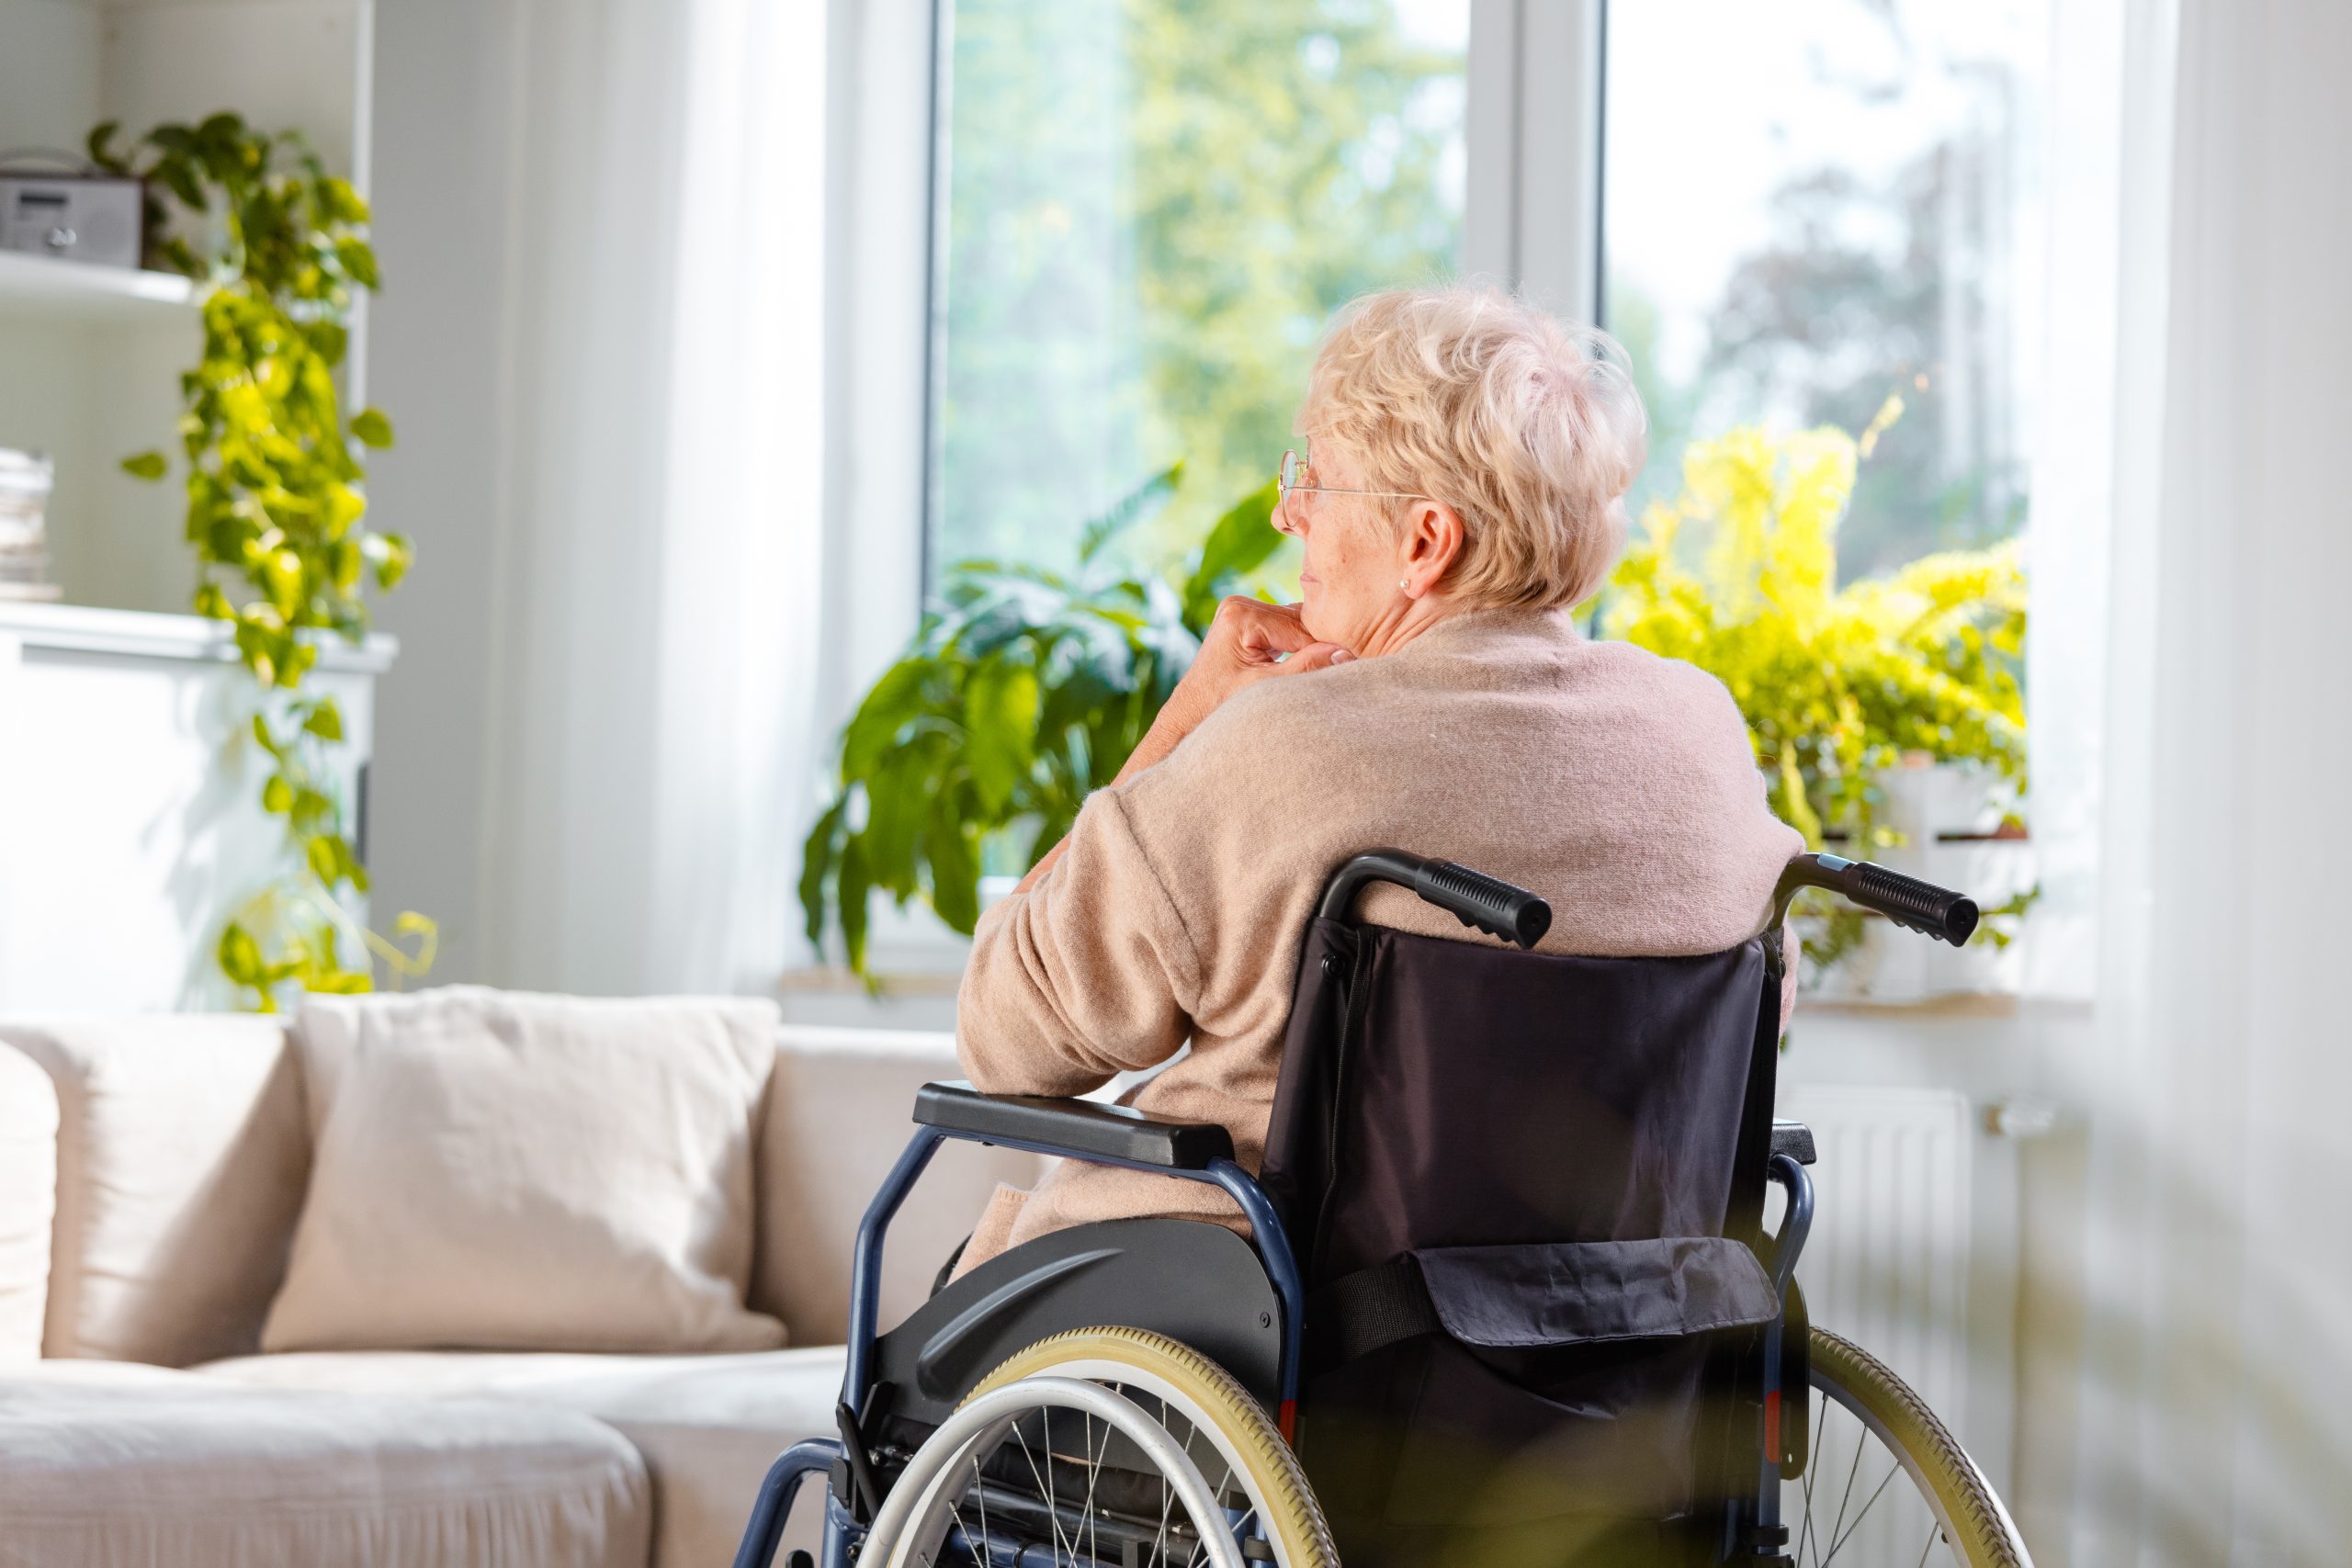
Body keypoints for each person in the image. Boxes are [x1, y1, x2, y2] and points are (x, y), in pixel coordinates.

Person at [948, 283, 1801, 1279]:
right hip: (1599, 1327)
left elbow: (1009, 1039)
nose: (1286, 510)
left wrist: (1186, 721)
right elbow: (1751, 1020)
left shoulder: (1287, 749)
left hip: (1262, 1317)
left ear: (1425, 544)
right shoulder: (1697, 730)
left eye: (1315, 477)